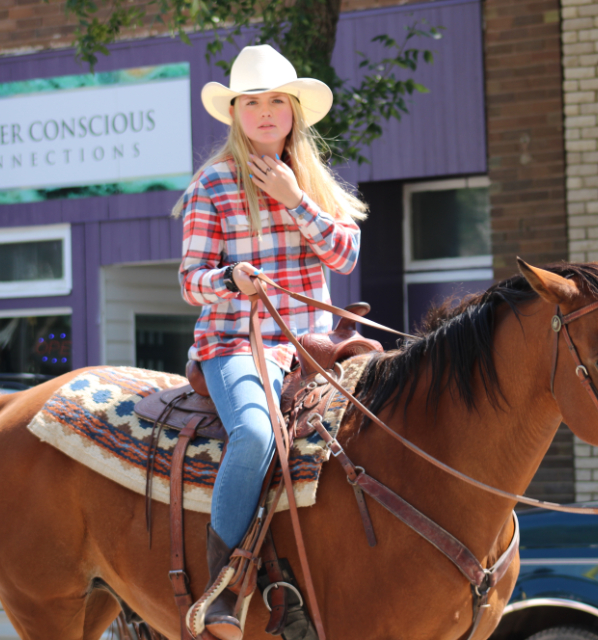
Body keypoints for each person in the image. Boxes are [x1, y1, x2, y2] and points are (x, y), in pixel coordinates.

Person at [177, 44, 367, 640]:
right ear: (235, 113)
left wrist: (296, 201)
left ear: (293, 112)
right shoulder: (214, 183)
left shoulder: (307, 179)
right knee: (257, 433)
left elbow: (345, 252)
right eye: (251, 102)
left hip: (311, 345)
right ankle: (225, 587)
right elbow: (190, 282)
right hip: (236, 343)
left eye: (276, 102)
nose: (264, 113)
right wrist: (230, 279)